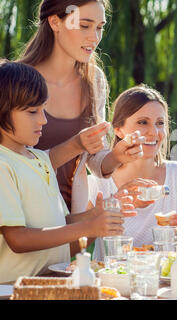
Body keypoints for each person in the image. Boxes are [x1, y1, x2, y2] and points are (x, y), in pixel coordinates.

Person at [0, 60, 135, 283]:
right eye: (33, 111)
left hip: (51, 285)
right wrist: (89, 225)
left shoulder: (40, 159)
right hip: (12, 292)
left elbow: (62, 229)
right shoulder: (3, 164)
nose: (43, 120)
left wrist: (97, 218)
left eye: (44, 109)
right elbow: (18, 239)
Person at [17, 0, 144, 220]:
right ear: (55, 22)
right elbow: (13, 162)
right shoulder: (16, 80)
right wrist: (75, 144)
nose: (94, 37)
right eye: (84, 25)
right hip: (24, 213)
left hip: (71, 217)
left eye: (99, 27)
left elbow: (93, 160)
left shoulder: (93, 80)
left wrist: (115, 156)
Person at [87, 85, 177, 260]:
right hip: (114, 282)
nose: (154, 132)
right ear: (118, 129)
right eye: (143, 122)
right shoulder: (98, 183)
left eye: (160, 123)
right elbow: (78, 242)